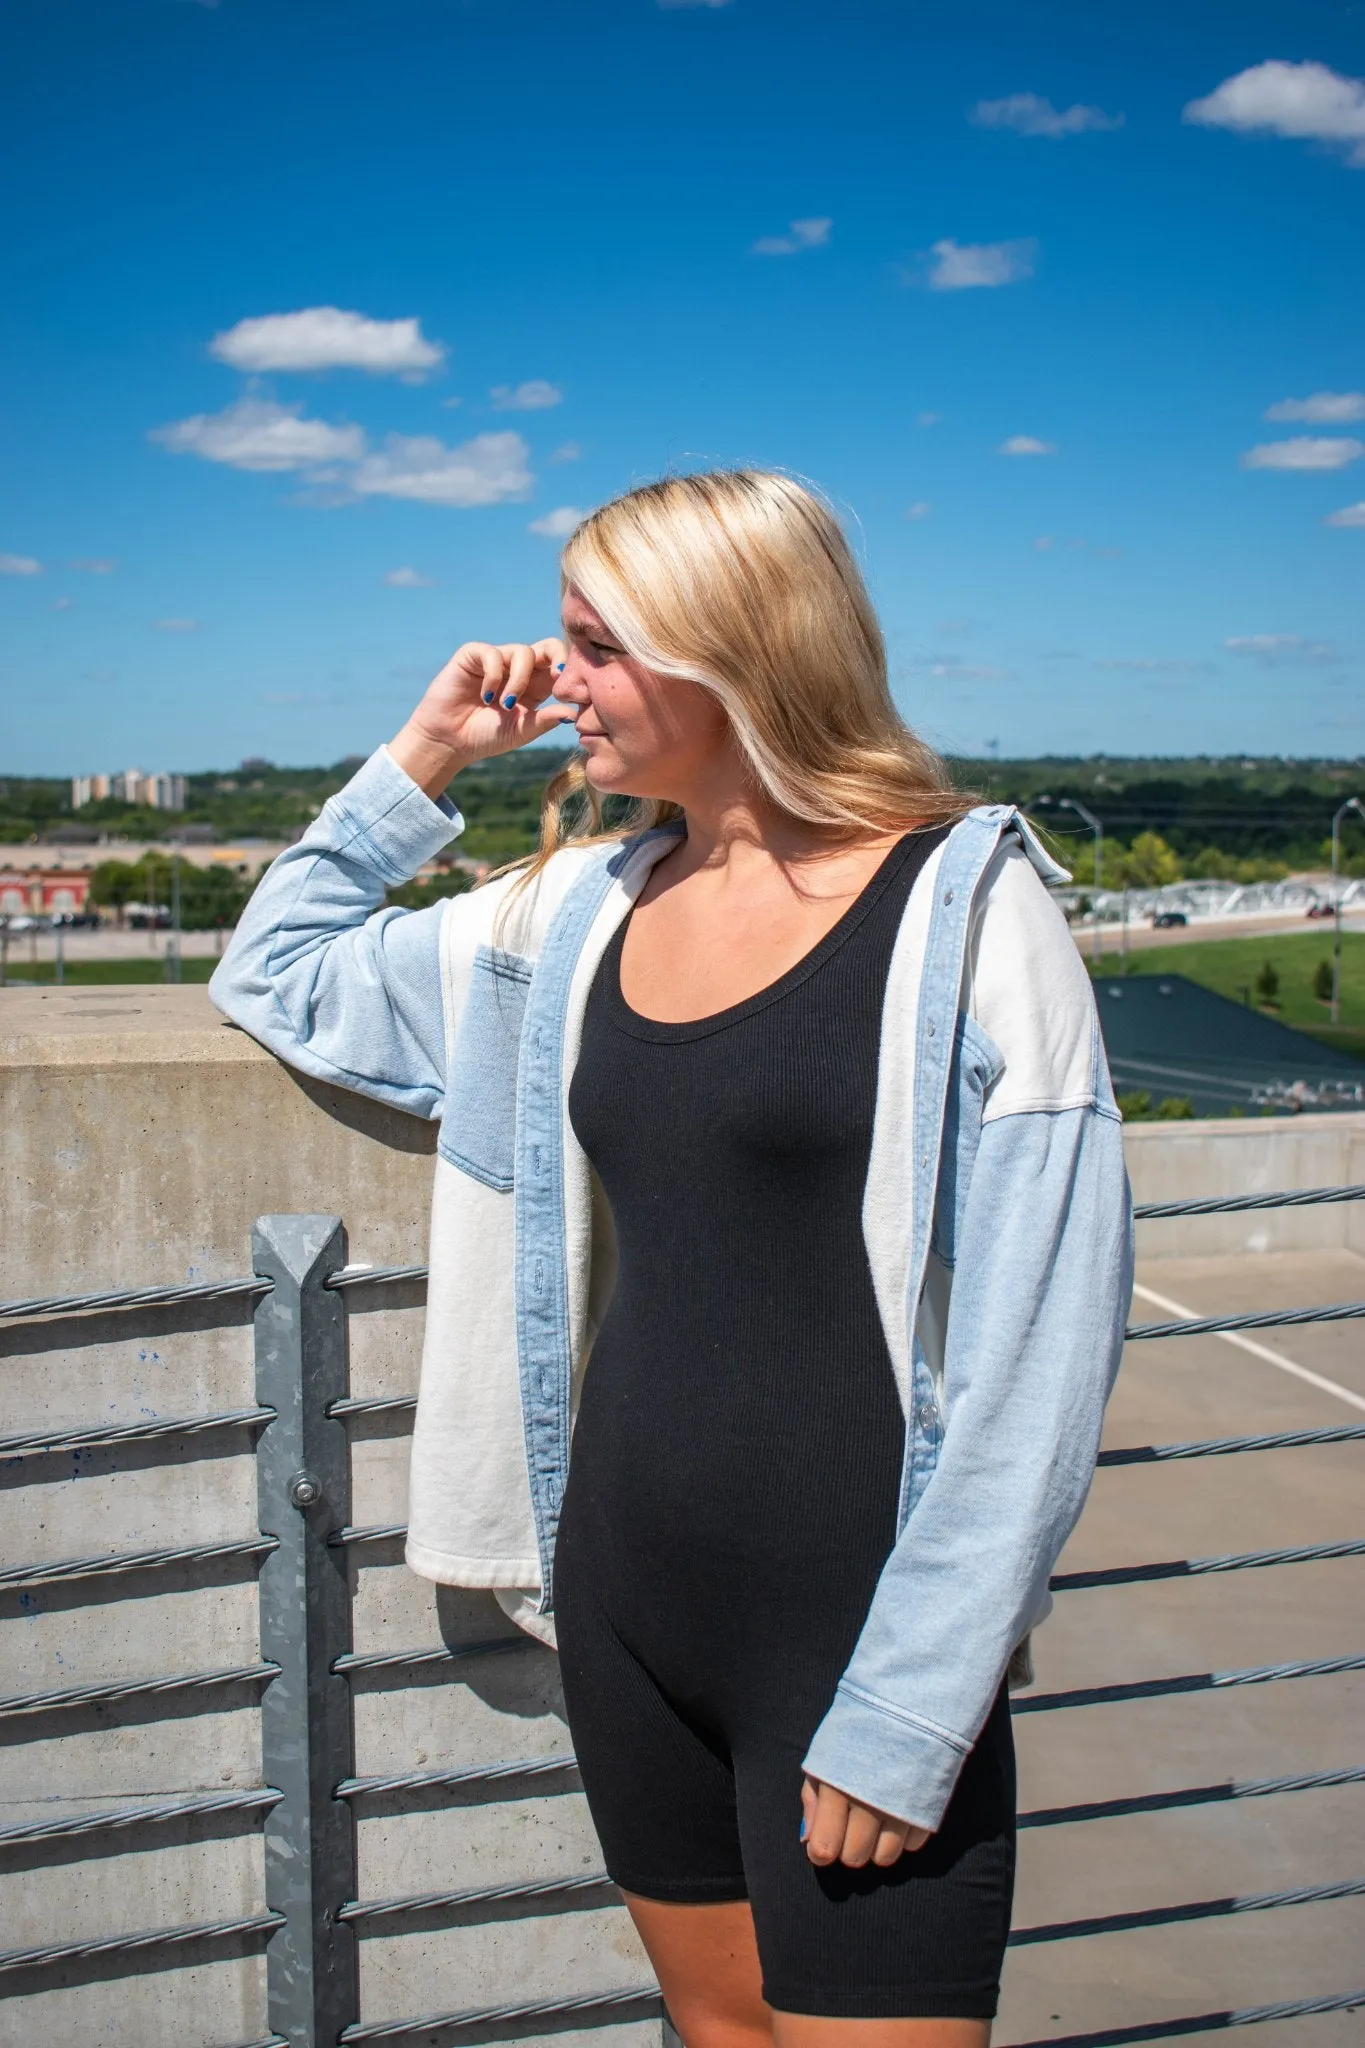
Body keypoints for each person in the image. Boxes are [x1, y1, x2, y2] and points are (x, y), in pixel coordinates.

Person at [212, 470, 1133, 2048]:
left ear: (732, 651)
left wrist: (918, 1704)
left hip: (862, 1636)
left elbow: (1044, 1352)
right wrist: (424, 756)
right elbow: (277, 970)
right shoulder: (568, 912)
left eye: (594, 642)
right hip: (628, 1607)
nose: (552, 674)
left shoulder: (968, 916)